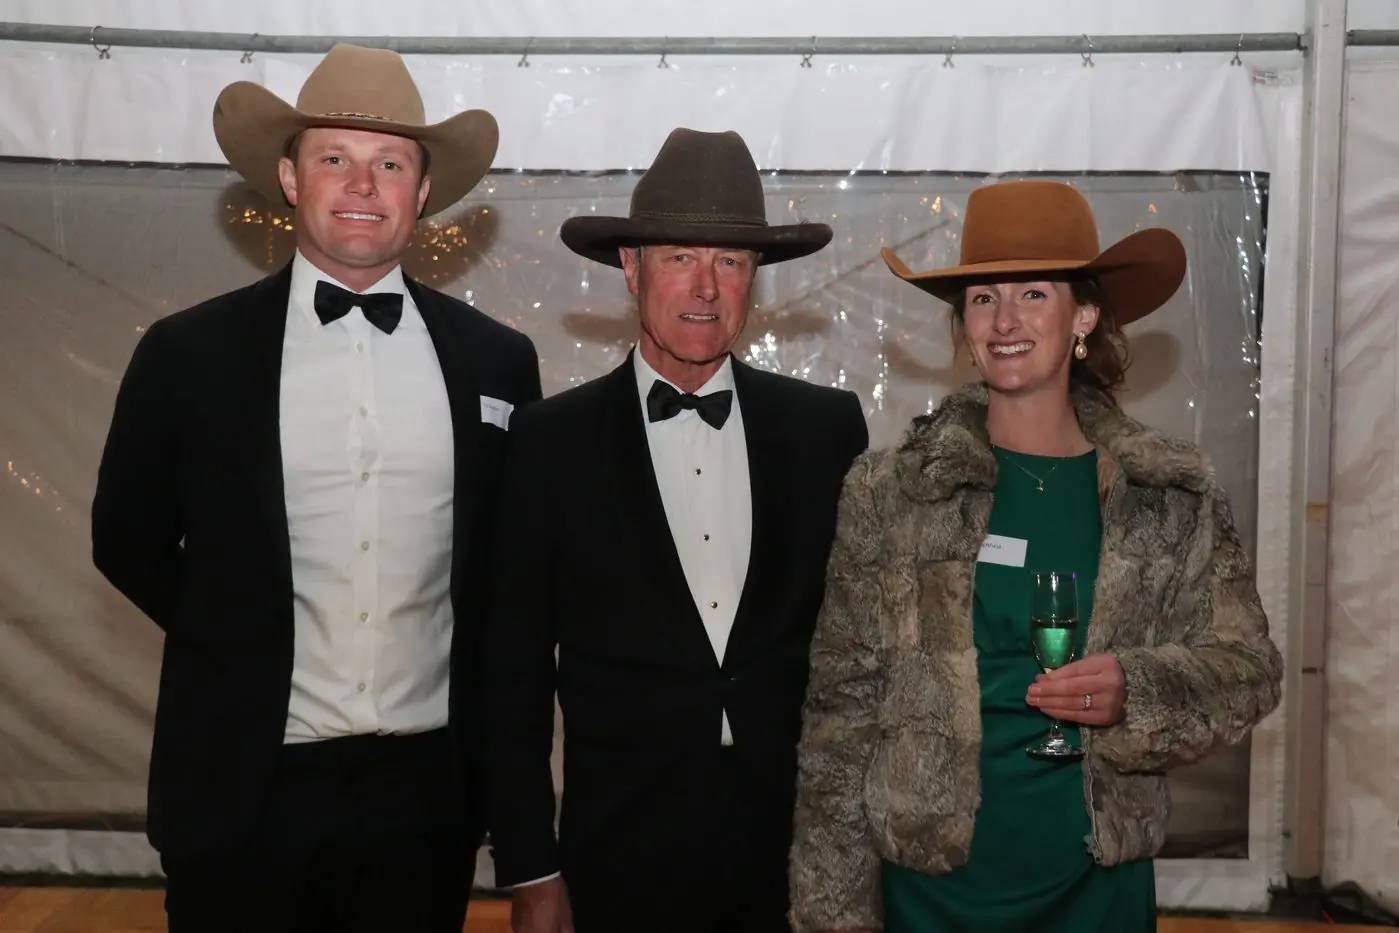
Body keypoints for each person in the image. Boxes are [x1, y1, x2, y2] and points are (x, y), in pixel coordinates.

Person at [90, 44, 541, 933]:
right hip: (243, 794)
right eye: (335, 158)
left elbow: (508, 569)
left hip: (425, 803)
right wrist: (238, 640)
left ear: (421, 193)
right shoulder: (185, 356)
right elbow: (125, 538)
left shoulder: (498, 361)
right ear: (291, 179)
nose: (362, 185)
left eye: (389, 164)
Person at [786, 180, 1284, 933]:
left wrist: (1137, 688)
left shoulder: (1164, 494)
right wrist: (832, 914)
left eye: (1031, 293)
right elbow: (841, 715)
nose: (1005, 319)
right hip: (936, 887)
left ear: (1083, 315)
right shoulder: (893, 491)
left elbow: (1248, 671)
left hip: (1092, 880)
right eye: (982, 298)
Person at [480, 127, 869, 933]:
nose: (704, 286)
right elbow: (511, 676)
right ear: (631, 267)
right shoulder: (549, 442)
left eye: (729, 262)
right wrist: (530, 867)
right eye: (679, 257)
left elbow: (864, 652)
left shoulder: (824, 432)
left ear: (753, 279)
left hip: (796, 859)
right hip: (616, 860)